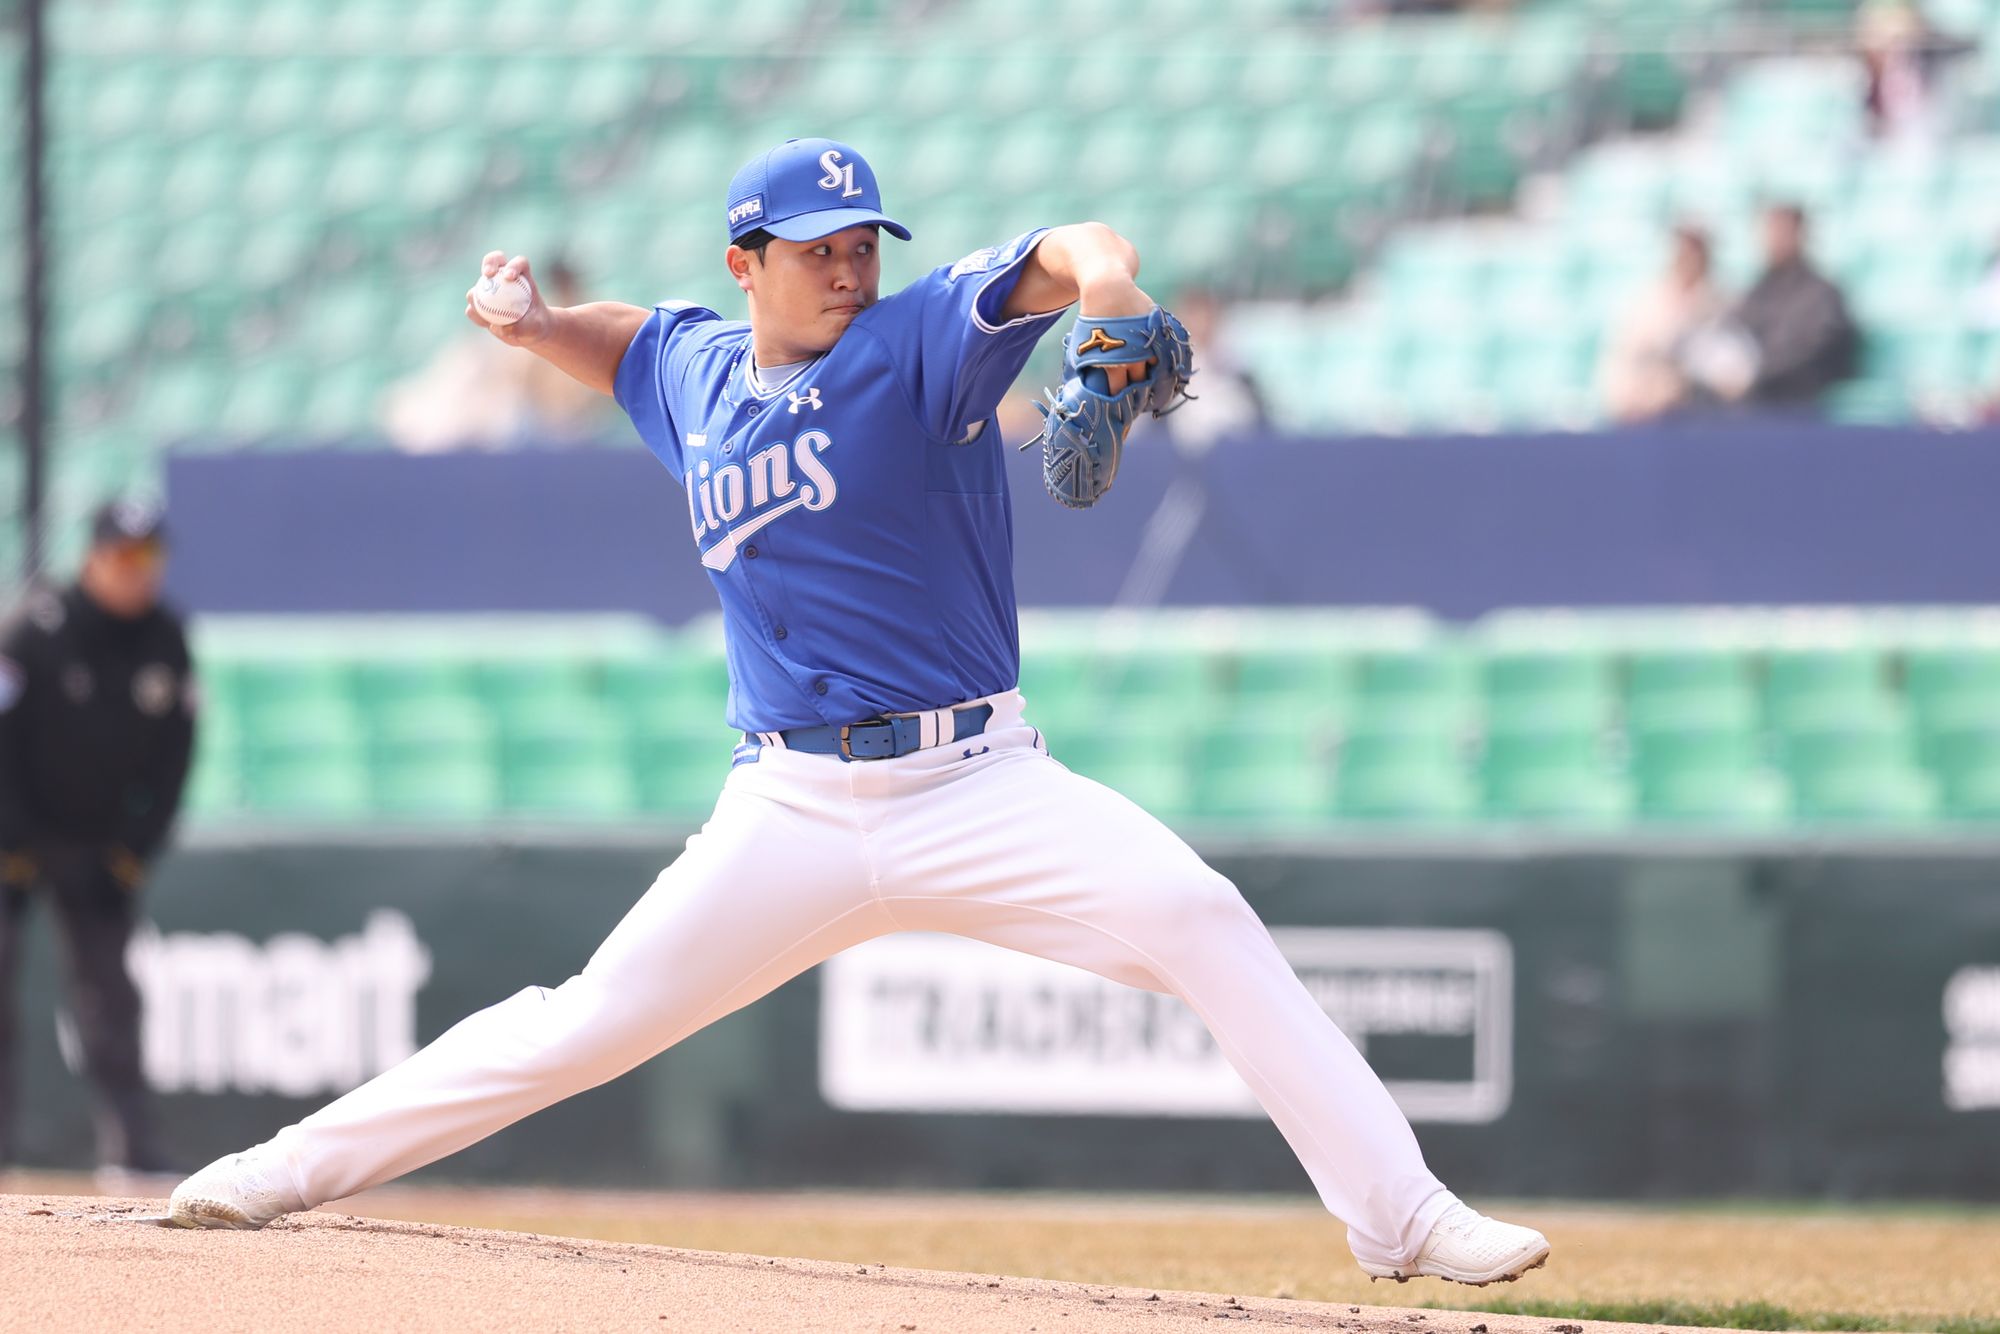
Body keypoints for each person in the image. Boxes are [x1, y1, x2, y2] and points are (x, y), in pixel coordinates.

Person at [168, 138, 1550, 1287]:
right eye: (819, 244)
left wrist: (1112, 281)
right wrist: (533, 328)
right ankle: (280, 1167)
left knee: (1200, 916)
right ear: (745, 262)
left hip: (979, 779)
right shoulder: (698, 372)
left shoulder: (918, 344)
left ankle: (1404, 1216)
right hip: (789, 806)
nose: (849, 263)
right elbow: (630, 345)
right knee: (580, 1023)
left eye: (862, 239)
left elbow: (1064, 247)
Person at [0, 499, 195, 1176]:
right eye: (124, 557)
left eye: (150, 558)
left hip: (99, 847)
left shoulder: (166, 638)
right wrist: (16, 838)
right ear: (93, 558)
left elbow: (176, 756)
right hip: (12, 845)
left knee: (112, 1002)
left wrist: (133, 850)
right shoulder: (34, 629)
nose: (138, 573)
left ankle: (134, 1151)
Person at [381, 257, 616, 451]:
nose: (563, 286)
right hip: (544, 424)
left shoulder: (589, 316)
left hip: (574, 425)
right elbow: (522, 376)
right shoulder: (551, 318)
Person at [1724, 204, 1859, 412]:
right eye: (1770, 232)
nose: (1774, 240)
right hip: (1753, 398)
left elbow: (1815, 351)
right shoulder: (1758, 291)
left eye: (1781, 232)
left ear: (1800, 234)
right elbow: (1736, 334)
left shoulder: (1821, 293)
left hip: (1797, 402)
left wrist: (1759, 373)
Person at [1599, 225, 1732, 424]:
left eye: (1696, 251)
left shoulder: (1721, 303)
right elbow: (1627, 356)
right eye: (1685, 251)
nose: (1690, 260)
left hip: (1699, 415)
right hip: (1648, 413)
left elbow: (1727, 372)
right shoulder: (1648, 304)